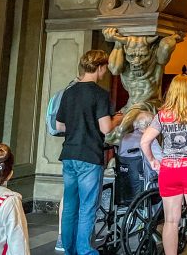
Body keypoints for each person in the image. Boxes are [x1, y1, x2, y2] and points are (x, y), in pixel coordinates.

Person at [140, 74, 187, 255]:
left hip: (169, 170)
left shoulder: (162, 116)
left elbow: (144, 141)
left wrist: (153, 161)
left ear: (171, 91)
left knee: (171, 221)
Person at [56, 49, 121, 255]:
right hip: (89, 156)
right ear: (100, 67)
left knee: (70, 206)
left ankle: (69, 250)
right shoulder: (100, 94)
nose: (105, 72)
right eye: (105, 68)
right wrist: (118, 118)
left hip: (69, 155)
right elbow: (106, 128)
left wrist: (78, 124)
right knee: (87, 207)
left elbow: (59, 126)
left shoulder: (69, 92)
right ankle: (84, 250)